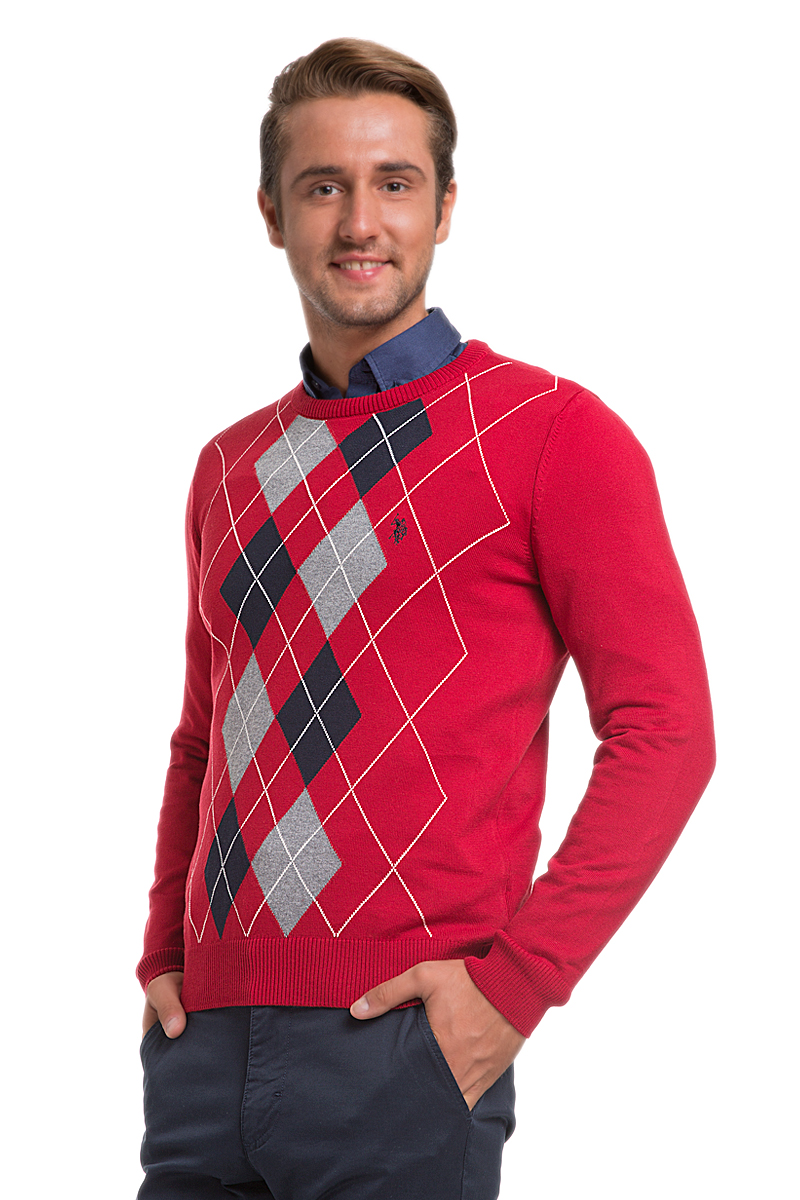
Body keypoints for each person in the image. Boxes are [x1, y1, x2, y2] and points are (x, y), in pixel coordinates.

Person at [137, 36, 715, 1200]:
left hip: (400, 1046)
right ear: (271, 213)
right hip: (203, 1053)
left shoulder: (551, 436)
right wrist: (164, 955)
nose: (360, 222)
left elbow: (666, 733)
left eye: (393, 183)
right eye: (323, 186)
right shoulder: (227, 467)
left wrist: (512, 990)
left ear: (444, 207)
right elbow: (205, 739)